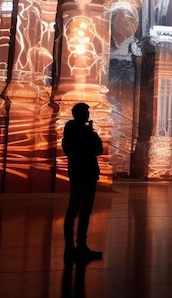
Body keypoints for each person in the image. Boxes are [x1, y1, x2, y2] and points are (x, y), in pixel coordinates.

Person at [62, 102, 104, 261]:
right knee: (80, 209)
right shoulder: (79, 131)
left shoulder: (72, 130)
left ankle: (74, 246)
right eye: (85, 112)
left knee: (76, 209)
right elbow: (96, 149)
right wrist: (90, 133)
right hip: (84, 172)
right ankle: (77, 246)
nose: (88, 115)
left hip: (80, 172)